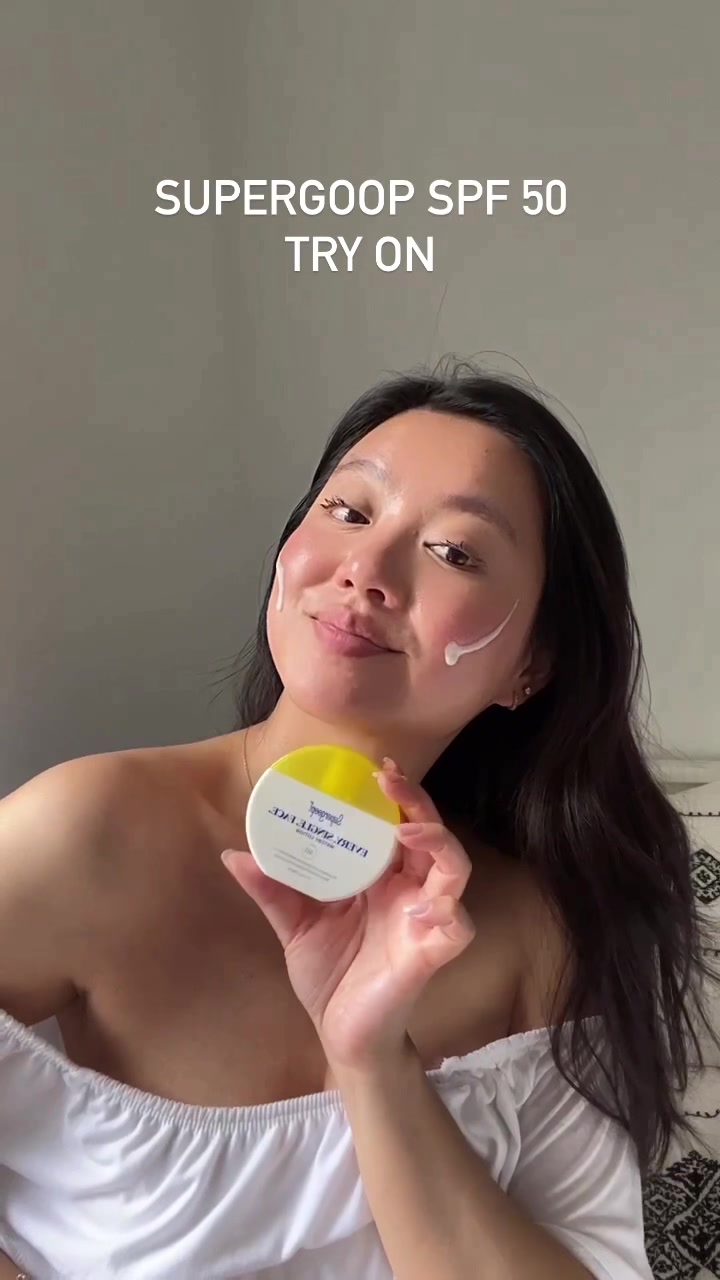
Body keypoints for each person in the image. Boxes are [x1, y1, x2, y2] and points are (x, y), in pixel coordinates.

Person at [0, 362, 714, 1280]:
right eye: (347, 511)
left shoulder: (539, 932)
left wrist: (373, 1061)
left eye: (454, 552)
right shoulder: (90, 832)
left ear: (532, 665)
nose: (365, 571)